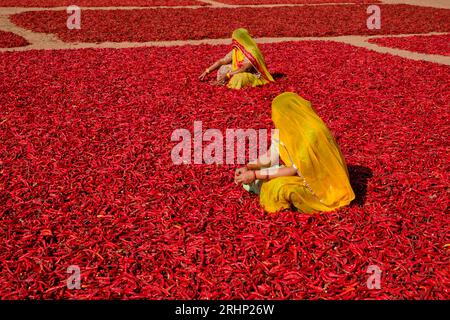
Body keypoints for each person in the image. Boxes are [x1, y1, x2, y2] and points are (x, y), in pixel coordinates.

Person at [234, 92, 355, 214]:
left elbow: (293, 170)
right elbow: (271, 156)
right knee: (267, 178)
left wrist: (255, 175)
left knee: (277, 188)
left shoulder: (310, 136)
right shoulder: (285, 130)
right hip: (303, 174)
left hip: (323, 187)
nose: (275, 118)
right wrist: (248, 167)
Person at [199, 28, 274, 89]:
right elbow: (223, 61)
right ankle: (225, 81)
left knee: (239, 78)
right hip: (239, 71)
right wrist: (207, 71)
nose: (233, 41)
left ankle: (228, 83)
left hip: (254, 75)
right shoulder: (237, 50)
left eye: (235, 39)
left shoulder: (252, 51)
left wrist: (228, 75)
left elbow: (245, 69)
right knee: (223, 68)